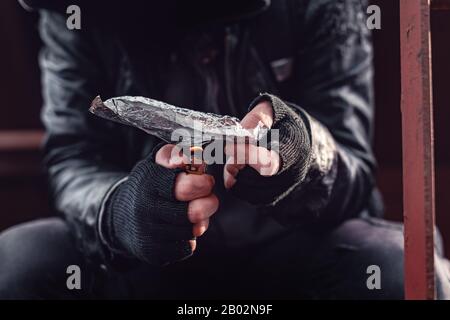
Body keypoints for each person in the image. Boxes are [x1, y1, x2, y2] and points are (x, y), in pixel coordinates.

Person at [0, 0, 449, 299]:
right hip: (140, 267)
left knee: (399, 269)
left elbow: (352, 162)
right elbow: (74, 158)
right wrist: (122, 212)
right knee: (18, 263)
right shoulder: (71, 11)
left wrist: (301, 152)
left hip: (298, 247)